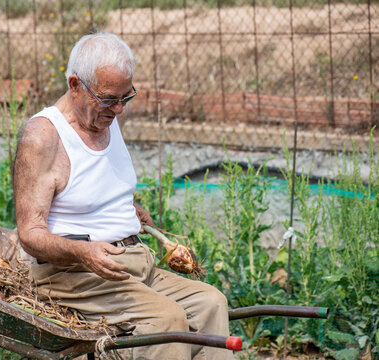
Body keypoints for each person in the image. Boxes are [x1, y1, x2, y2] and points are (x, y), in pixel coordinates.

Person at [13, 32, 234, 360]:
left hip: (130, 265)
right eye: (108, 99)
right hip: (76, 275)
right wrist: (83, 251)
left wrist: (128, 208)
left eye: (124, 97)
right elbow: (29, 235)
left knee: (211, 303)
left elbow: (90, 187)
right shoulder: (43, 137)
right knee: (166, 320)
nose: (118, 109)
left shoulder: (103, 115)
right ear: (75, 85)